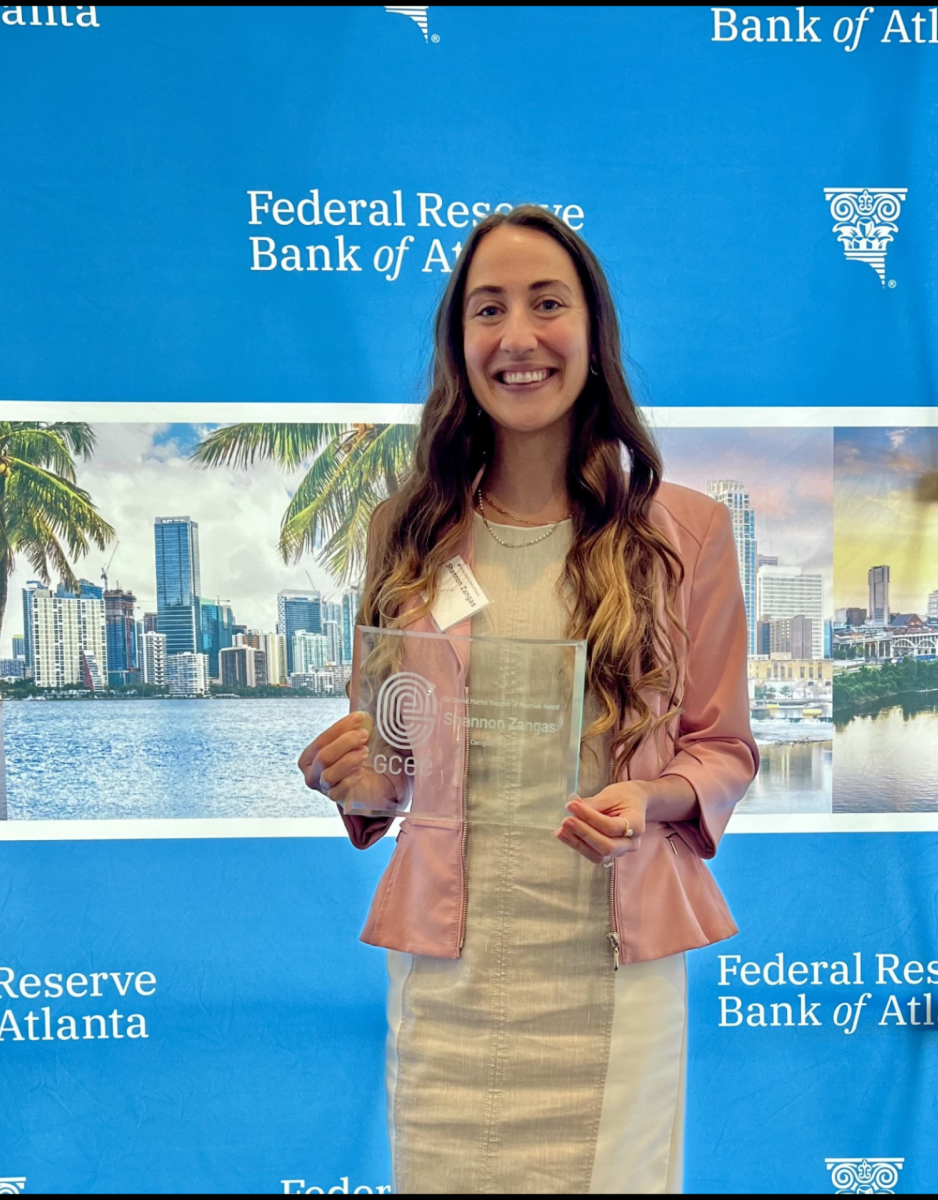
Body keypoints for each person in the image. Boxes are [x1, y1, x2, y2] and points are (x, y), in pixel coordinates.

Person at [298, 206, 758, 1195]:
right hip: (452, 980)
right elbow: (392, 767)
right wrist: (351, 774)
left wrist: (652, 799)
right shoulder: (404, 532)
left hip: (612, 964)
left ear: (593, 335)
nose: (518, 337)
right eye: (488, 309)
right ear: (458, 343)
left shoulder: (686, 533)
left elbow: (722, 749)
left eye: (547, 304)